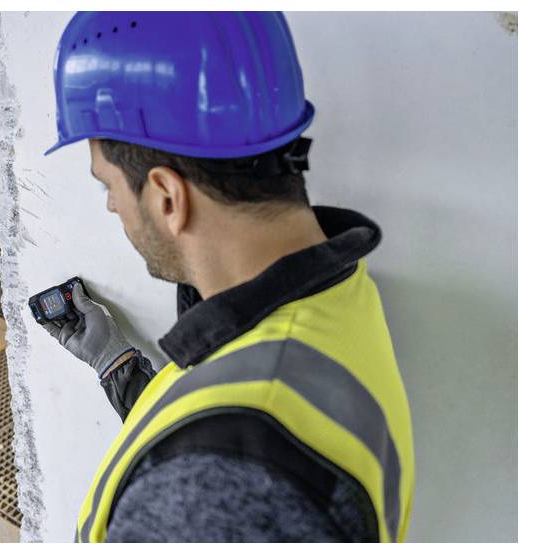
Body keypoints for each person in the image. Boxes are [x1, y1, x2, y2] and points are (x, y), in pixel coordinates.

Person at [40, 12, 415, 542]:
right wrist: (115, 363)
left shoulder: (216, 494)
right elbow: (220, 424)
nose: (110, 208)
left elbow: (223, 462)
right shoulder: (337, 296)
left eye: (109, 186)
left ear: (167, 197)